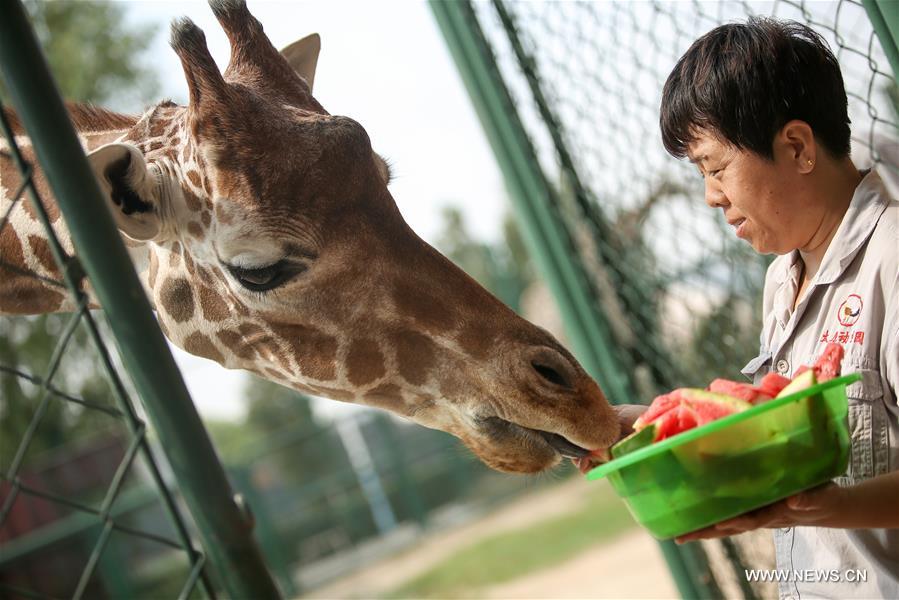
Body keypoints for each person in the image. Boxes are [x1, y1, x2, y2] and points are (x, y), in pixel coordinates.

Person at [645, 16, 898, 599]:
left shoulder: (893, 261)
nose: (711, 196)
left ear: (797, 147)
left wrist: (821, 508)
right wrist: (624, 424)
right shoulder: (781, 279)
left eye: (714, 167)